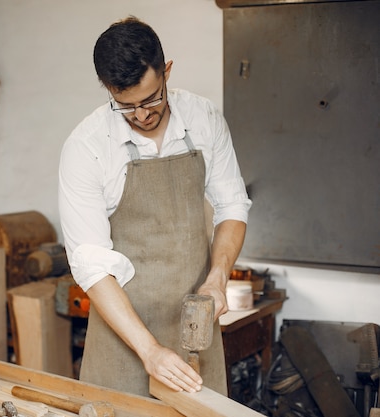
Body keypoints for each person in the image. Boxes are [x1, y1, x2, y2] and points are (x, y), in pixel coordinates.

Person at [58, 16, 252, 397]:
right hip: (123, 336)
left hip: (196, 329)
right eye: (125, 106)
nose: (142, 115)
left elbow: (232, 206)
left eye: (151, 99)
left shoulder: (204, 118)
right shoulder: (86, 148)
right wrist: (149, 351)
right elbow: (91, 266)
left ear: (166, 71)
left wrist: (217, 278)